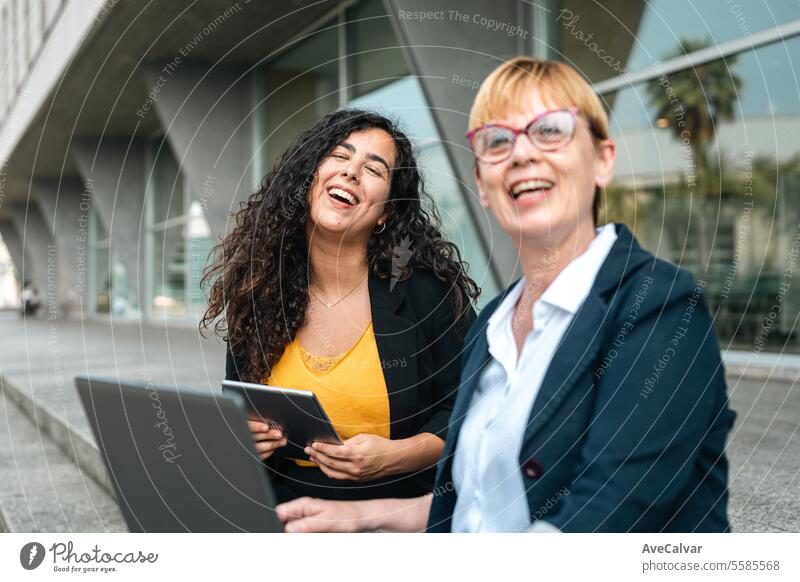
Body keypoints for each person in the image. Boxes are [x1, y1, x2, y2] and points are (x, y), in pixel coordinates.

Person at [276, 57, 736, 533]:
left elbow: (606, 516)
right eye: (498, 140)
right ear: (482, 184)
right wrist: (361, 517)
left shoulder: (659, 307)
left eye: (550, 131)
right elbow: (472, 505)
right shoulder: (494, 324)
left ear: (602, 160)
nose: (521, 154)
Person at [201, 109, 478, 502]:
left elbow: (471, 407)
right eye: (340, 155)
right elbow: (241, 403)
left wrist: (399, 456)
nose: (351, 172)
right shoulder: (259, 286)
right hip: (282, 510)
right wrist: (246, 435)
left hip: (394, 512)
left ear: (387, 212)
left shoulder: (428, 292)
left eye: (375, 169)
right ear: (309, 177)